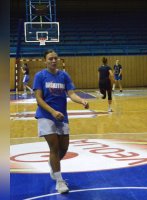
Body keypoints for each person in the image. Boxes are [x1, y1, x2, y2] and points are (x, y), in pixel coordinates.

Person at [33, 49, 89, 194]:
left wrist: (81, 100)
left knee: (64, 148)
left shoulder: (64, 75)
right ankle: (59, 181)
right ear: (45, 61)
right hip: (46, 115)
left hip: (62, 116)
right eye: (50, 58)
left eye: (55, 58)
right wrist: (52, 112)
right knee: (54, 147)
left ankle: (53, 163)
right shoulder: (40, 76)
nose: (53, 60)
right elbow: (38, 99)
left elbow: (71, 93)